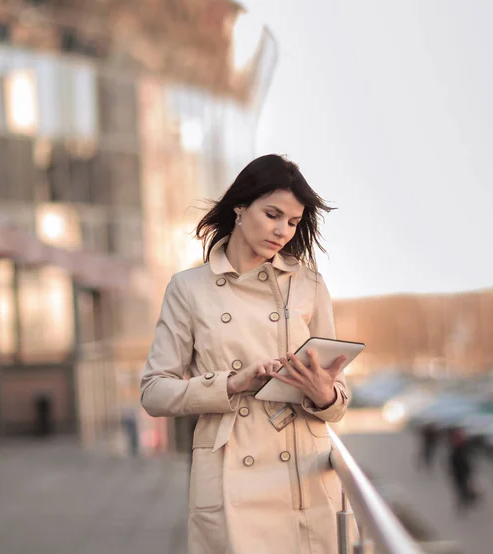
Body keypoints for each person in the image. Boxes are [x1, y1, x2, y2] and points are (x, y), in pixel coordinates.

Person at [140, 154, 349, 554]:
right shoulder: (188, 289)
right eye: (272, 214)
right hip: (233, 477)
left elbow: (338, 401)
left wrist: (325, 395)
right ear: (240, 206)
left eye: (292, 222)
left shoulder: (309, 284)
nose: (282, 231)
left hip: (303, 476)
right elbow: (154, 392)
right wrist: (231, 383)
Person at [447, 427, 480, 512]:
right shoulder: (456, 450)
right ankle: (464, 501)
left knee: (463, 487)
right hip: (459, 473)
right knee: (461, 488)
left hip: (463, 472)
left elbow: (466, 460)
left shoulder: (463, 449)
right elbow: (453, 462)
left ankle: (465, 501)